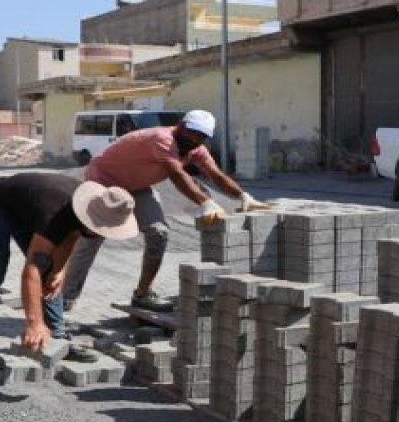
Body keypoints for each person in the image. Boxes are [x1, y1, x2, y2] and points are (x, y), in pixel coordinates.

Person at [62, 109, 269, 313]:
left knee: (159, 233)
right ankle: (65, 297)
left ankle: (143, 294)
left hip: (138, 186)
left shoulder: (196, 149)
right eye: (191, 132)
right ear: (181, 126)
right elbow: (177, 175)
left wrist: (243, 196)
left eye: (201, 136)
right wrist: (205, 202)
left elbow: (216, 175)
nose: (194, 139)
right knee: (92, 237)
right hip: (104, 181)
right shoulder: (162, 139)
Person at [0, 172, 138, 370]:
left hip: (29, 208)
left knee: (51, 274)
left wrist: (59, 270)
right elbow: (32, 270)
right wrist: (35, 323)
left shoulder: (86, 208)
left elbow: (70, 235)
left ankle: (58, 339)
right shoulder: (55, 212)